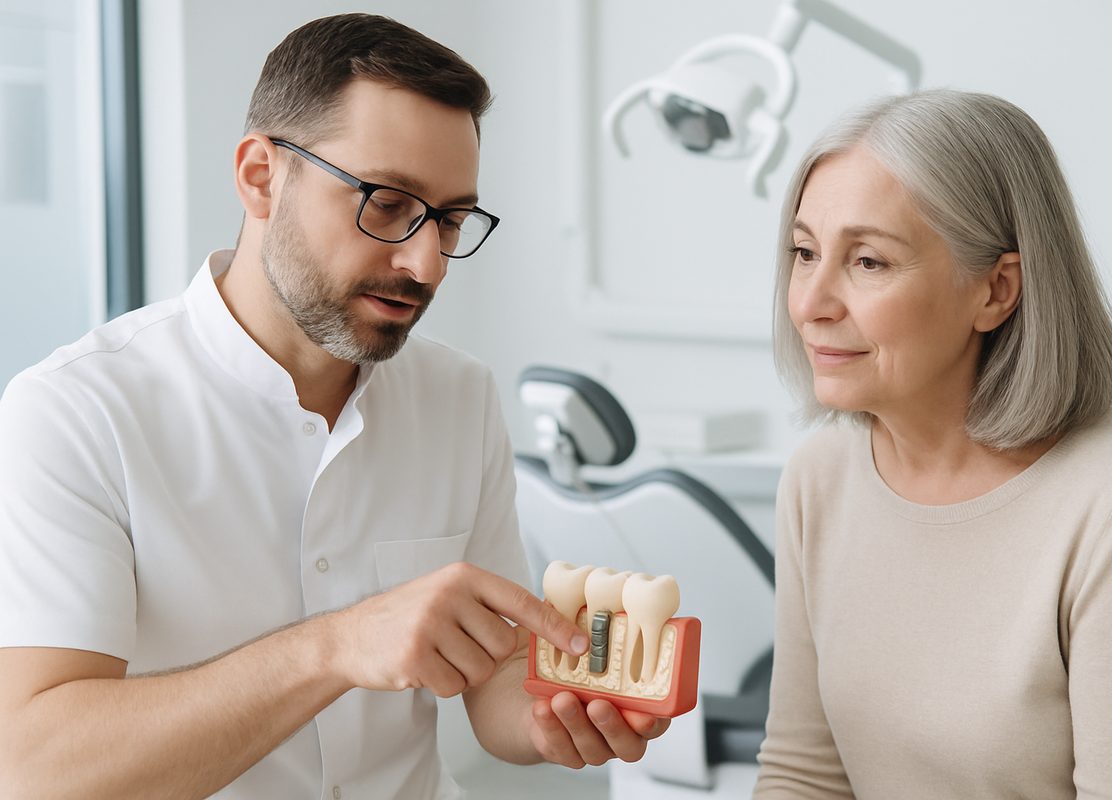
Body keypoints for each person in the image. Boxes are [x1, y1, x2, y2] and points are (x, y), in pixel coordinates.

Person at [0, 14, 667, 798]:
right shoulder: (78, 412)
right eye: (387, 203)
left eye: (451, 220)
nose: (425, 263)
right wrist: (336, 647)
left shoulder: (459, 396)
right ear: (260, 176)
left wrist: (554, 714)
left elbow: (494, 681)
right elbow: (34, 767)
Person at [753, 89, 1112, 799]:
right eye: (804, 252)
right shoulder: (820, 477)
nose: (810, 302)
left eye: (868, 262)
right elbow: (804, 777)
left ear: (996, 290)